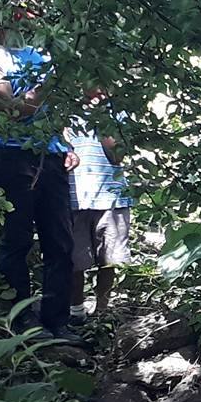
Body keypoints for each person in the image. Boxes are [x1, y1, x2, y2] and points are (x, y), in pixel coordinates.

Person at [0, 7, 75, 338]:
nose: (29, 15)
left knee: (59, 241)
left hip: (53, 156)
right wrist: (46, 87)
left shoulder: (44, 54)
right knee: (16, 239)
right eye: (21, 10)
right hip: (15, 157)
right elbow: (13, 111)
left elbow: (60, 109)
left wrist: (66, 144)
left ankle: (57, 321)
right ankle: (22, 320)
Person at [66, 96, 132, 320]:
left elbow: (117, 155)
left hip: (111, 197)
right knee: (74, 259)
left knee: (109, 258)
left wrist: (103, 118)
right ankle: (76, 311)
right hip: (74, 195)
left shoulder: (118, 111)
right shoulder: (63, 109)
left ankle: (102, 312)